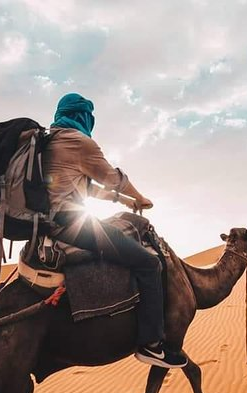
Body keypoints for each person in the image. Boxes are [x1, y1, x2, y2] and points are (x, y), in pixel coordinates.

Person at [43, 92, 187, 368]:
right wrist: (140, 197)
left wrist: (123, 201)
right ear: (84, 116)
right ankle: (152, 345)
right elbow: (112, 178)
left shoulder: (49, 142)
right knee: (149, 263)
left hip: (46, 226)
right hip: (70, 226)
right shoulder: (78, 141)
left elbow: (85, 187)